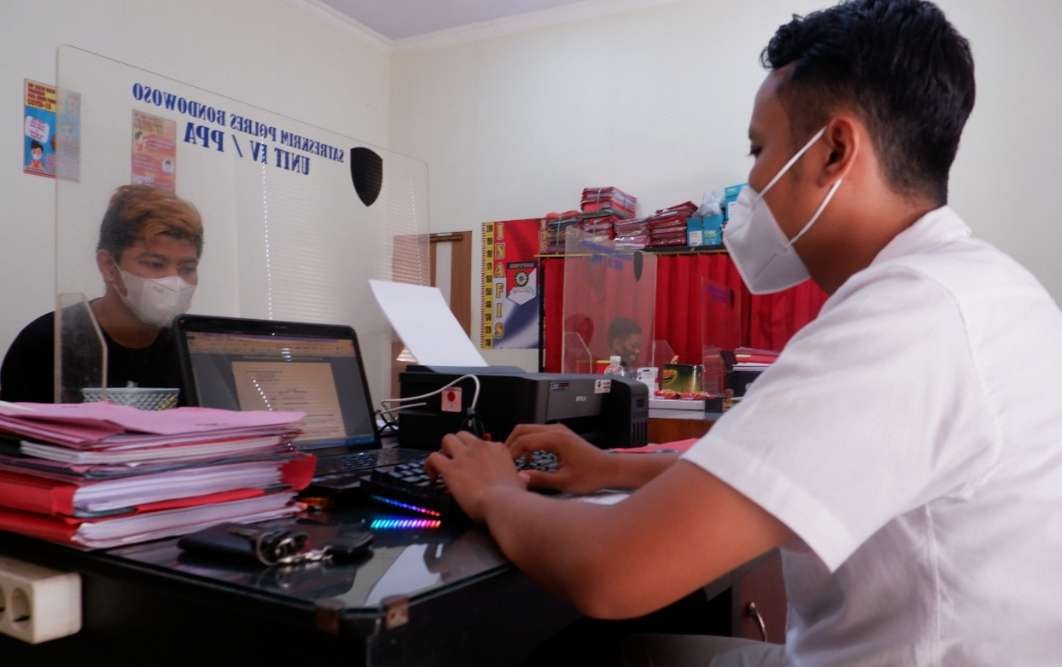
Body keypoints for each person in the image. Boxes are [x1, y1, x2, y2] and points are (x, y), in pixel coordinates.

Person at [423, 1, 1062, 664]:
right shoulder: (977, 290)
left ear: (836, 150)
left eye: (760, 149)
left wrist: (495, 489)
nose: (750, 182)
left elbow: (612, 569)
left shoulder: (909, 317)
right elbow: (771, 471)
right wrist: (608, 468)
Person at [1, 185, 203, 403]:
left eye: (187, 268)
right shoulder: (47, 343)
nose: (174, 280)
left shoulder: (193, 349)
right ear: (108, 266)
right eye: (155, 264)